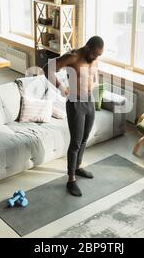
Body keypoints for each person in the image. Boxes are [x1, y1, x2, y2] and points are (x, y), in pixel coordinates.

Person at [46, 36, 104, 197]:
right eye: (95, 54)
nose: (96, 57)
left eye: (99, 55)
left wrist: (94, 83)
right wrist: (61, 87)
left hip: (89, 101)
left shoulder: (95, 58)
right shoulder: (73, 56)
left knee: (85, 138)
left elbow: (95, 73)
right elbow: (47, 68)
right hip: (75, 103)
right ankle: (71, 179)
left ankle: (78, 167)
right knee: (76, 142)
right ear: (88, 47)